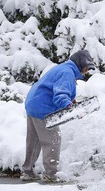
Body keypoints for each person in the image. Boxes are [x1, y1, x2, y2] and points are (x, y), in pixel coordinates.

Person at [21, 50, 95, 182]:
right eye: (86, 68)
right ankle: (51, 174)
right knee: (53, 139)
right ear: (80, 63)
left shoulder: (63, 68)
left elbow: (55, 88)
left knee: (34, 140)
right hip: (43, 107)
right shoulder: (67, 73)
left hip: (33, 103)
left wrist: (71, 103)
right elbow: (60, 94)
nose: (86, 71)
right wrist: (70, 107)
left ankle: (27, 171)